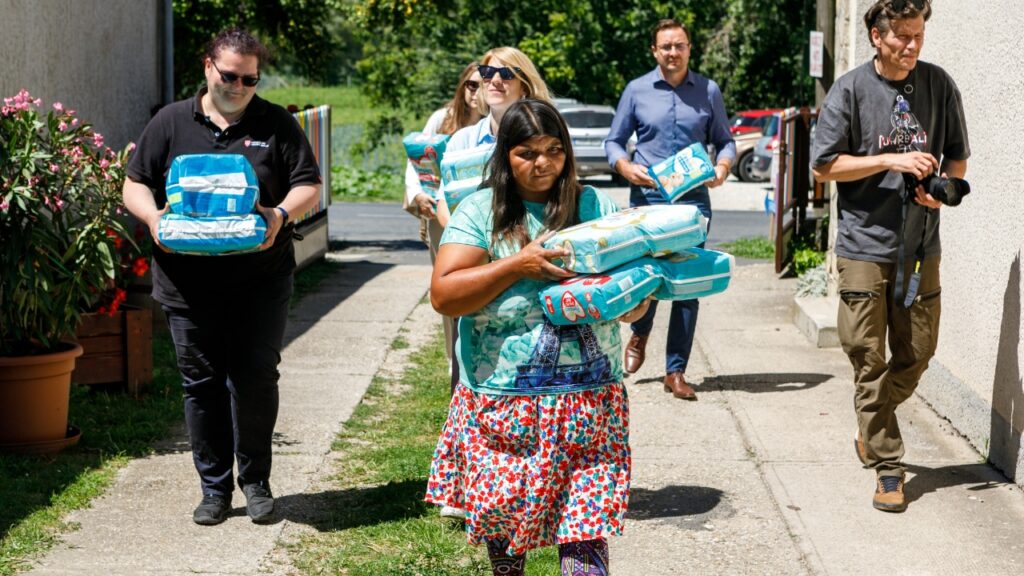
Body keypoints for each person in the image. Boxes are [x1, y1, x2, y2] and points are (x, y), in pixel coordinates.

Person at [425, 99, 644, 575]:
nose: (542, 163)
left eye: (554, 150)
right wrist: (516, 265)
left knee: (585, 530)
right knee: (505, 529)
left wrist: (634, 303)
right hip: (504, 405)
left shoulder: (594, 206)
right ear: (505, 154)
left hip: (588, 403)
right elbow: (443, 294)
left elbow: (631, 289)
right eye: (527, 152)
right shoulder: (480, 210)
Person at [122, 28, 321, 526]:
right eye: (230, 76)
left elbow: (308, 184)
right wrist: (153, 219)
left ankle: (256, 482)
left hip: (260, 281)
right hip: (187, 285)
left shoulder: (275, 123)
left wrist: (279, 215)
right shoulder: (171, 121)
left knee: (255, 379)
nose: (239, 87)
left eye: (250, 79)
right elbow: (135, 182)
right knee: (202, 385)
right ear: (208, 66)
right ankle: (214, 489)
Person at [812, 0, 969, 513]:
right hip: (864, 245)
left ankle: (870, 422)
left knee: (918, 351)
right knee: (867, 355)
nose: (912, 45)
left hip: (920, 244)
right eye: (902, 35)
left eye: (918, 35)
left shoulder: (939, 84)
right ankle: (887, 467)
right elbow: (824, 166)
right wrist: (889, 159)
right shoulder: (850, 90)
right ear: (877, 36)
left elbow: (957, 158)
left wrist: (943, 192)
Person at [432, 47, 553, 520]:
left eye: (505, 72)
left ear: (525, 80)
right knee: (467, 358)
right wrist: (469, 235)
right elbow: (445, 197)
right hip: (470, 248)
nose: (494, 79)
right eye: (486, 71)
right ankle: (470, 479)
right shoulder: (464, 140)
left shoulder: (544, 126)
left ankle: (538, 473)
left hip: (529, 255)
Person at [604, 18, 736, 401]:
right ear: (655, 51)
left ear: (689, 48)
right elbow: (614, 141)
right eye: (666, 46)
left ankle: (675, 371)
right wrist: (625, 167)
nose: (673, 52)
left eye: (679, 45)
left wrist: (723, 167)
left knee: (688, 286)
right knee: (647, 277)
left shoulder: (708, 91)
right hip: (648, 200)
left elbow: (725, 141)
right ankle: (640, 332)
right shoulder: (636, 90)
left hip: (693, 202)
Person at [403, 62, 483, 364]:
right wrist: (418, 195)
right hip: (441, 213)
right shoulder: (442, 119)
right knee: (448, 284)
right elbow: (415, 161)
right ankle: (454, 360)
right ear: (462, 87)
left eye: (481, 85)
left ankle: (476, 353)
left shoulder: (494, 123)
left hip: (478, 213)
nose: (476, 92)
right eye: (471, 85)